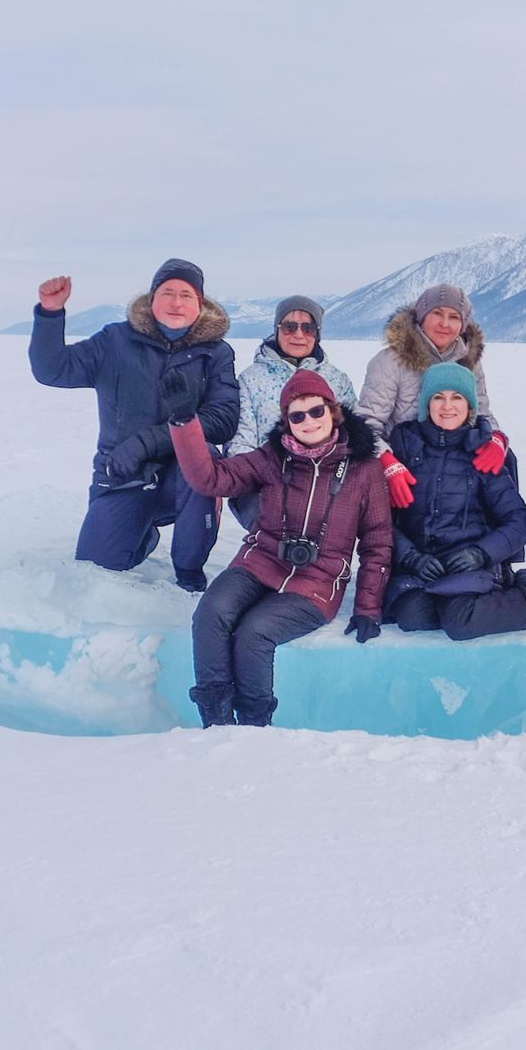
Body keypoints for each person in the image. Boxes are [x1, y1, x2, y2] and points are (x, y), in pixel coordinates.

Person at [163, 368, 392, 727]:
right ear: (286, 422)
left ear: (333, 411)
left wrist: (368, 607)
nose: (309, 421)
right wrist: (184, 422)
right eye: (297, 415)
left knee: (255, 632)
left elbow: (378, 541)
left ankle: (255, 727)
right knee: (211, 613)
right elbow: (210, 479)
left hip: (318, 582)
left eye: (316, 411)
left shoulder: (365, 469)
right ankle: (216, 723)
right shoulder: (271, 458)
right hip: (260, 561)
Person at [28, 258, 239, 592]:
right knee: (97, 565)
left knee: (203, 462)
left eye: (186, 295)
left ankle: (188, 569)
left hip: (183, 477)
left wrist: (147, 442)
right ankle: (141, 530)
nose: (176, 302)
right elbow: (53, 370)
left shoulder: (215, 353)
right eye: (167, 292)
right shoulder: (115, 341)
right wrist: (50, 314)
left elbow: (224, 420)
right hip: (123, 473)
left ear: (200, 304)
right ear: (151, 298)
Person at [385, 363, 526, 640]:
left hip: (470, 562)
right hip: (424, 564)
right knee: (410, 616)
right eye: (438, 397)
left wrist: (481, 553)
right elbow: (381, 518)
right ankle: (464, 600)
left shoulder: (482, 453)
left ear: (470, 407)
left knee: (460, 621)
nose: (447, 406)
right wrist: (411, 557)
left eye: (457, 397)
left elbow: (516, 519)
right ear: (427, 403)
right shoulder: (406, 447)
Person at [356, 283, 508, 509]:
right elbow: (367, 423)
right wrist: (387, 461)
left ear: (463, 323)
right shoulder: (389, 362)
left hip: (455, 463)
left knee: (506, 467)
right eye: (437, 313)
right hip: (406, 462)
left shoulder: (469, 363)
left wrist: (497, 438)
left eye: (454, 317)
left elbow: (482, 413)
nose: (445, 324)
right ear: (421, 316)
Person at [225, 295, 358, 531]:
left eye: (308, 328)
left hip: (325, 482)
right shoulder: (250, 379)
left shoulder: (337, 380)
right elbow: (240, 441)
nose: (298, 335)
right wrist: (267, 478)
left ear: (317, 334)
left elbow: (355, 436)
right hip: (265, 483)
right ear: (276, 330)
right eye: (289, 327)